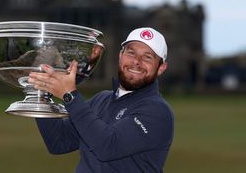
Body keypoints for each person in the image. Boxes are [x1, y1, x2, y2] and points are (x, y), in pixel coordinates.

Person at [28, 27, 174, 173]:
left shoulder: (158, 112)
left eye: (147, 57)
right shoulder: (102, 99)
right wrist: (41, 94)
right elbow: (59, 142)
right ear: (120, 55)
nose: (136, 61)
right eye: (131, 52)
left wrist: (69, 95)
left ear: (161, 68)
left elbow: (108, 147)